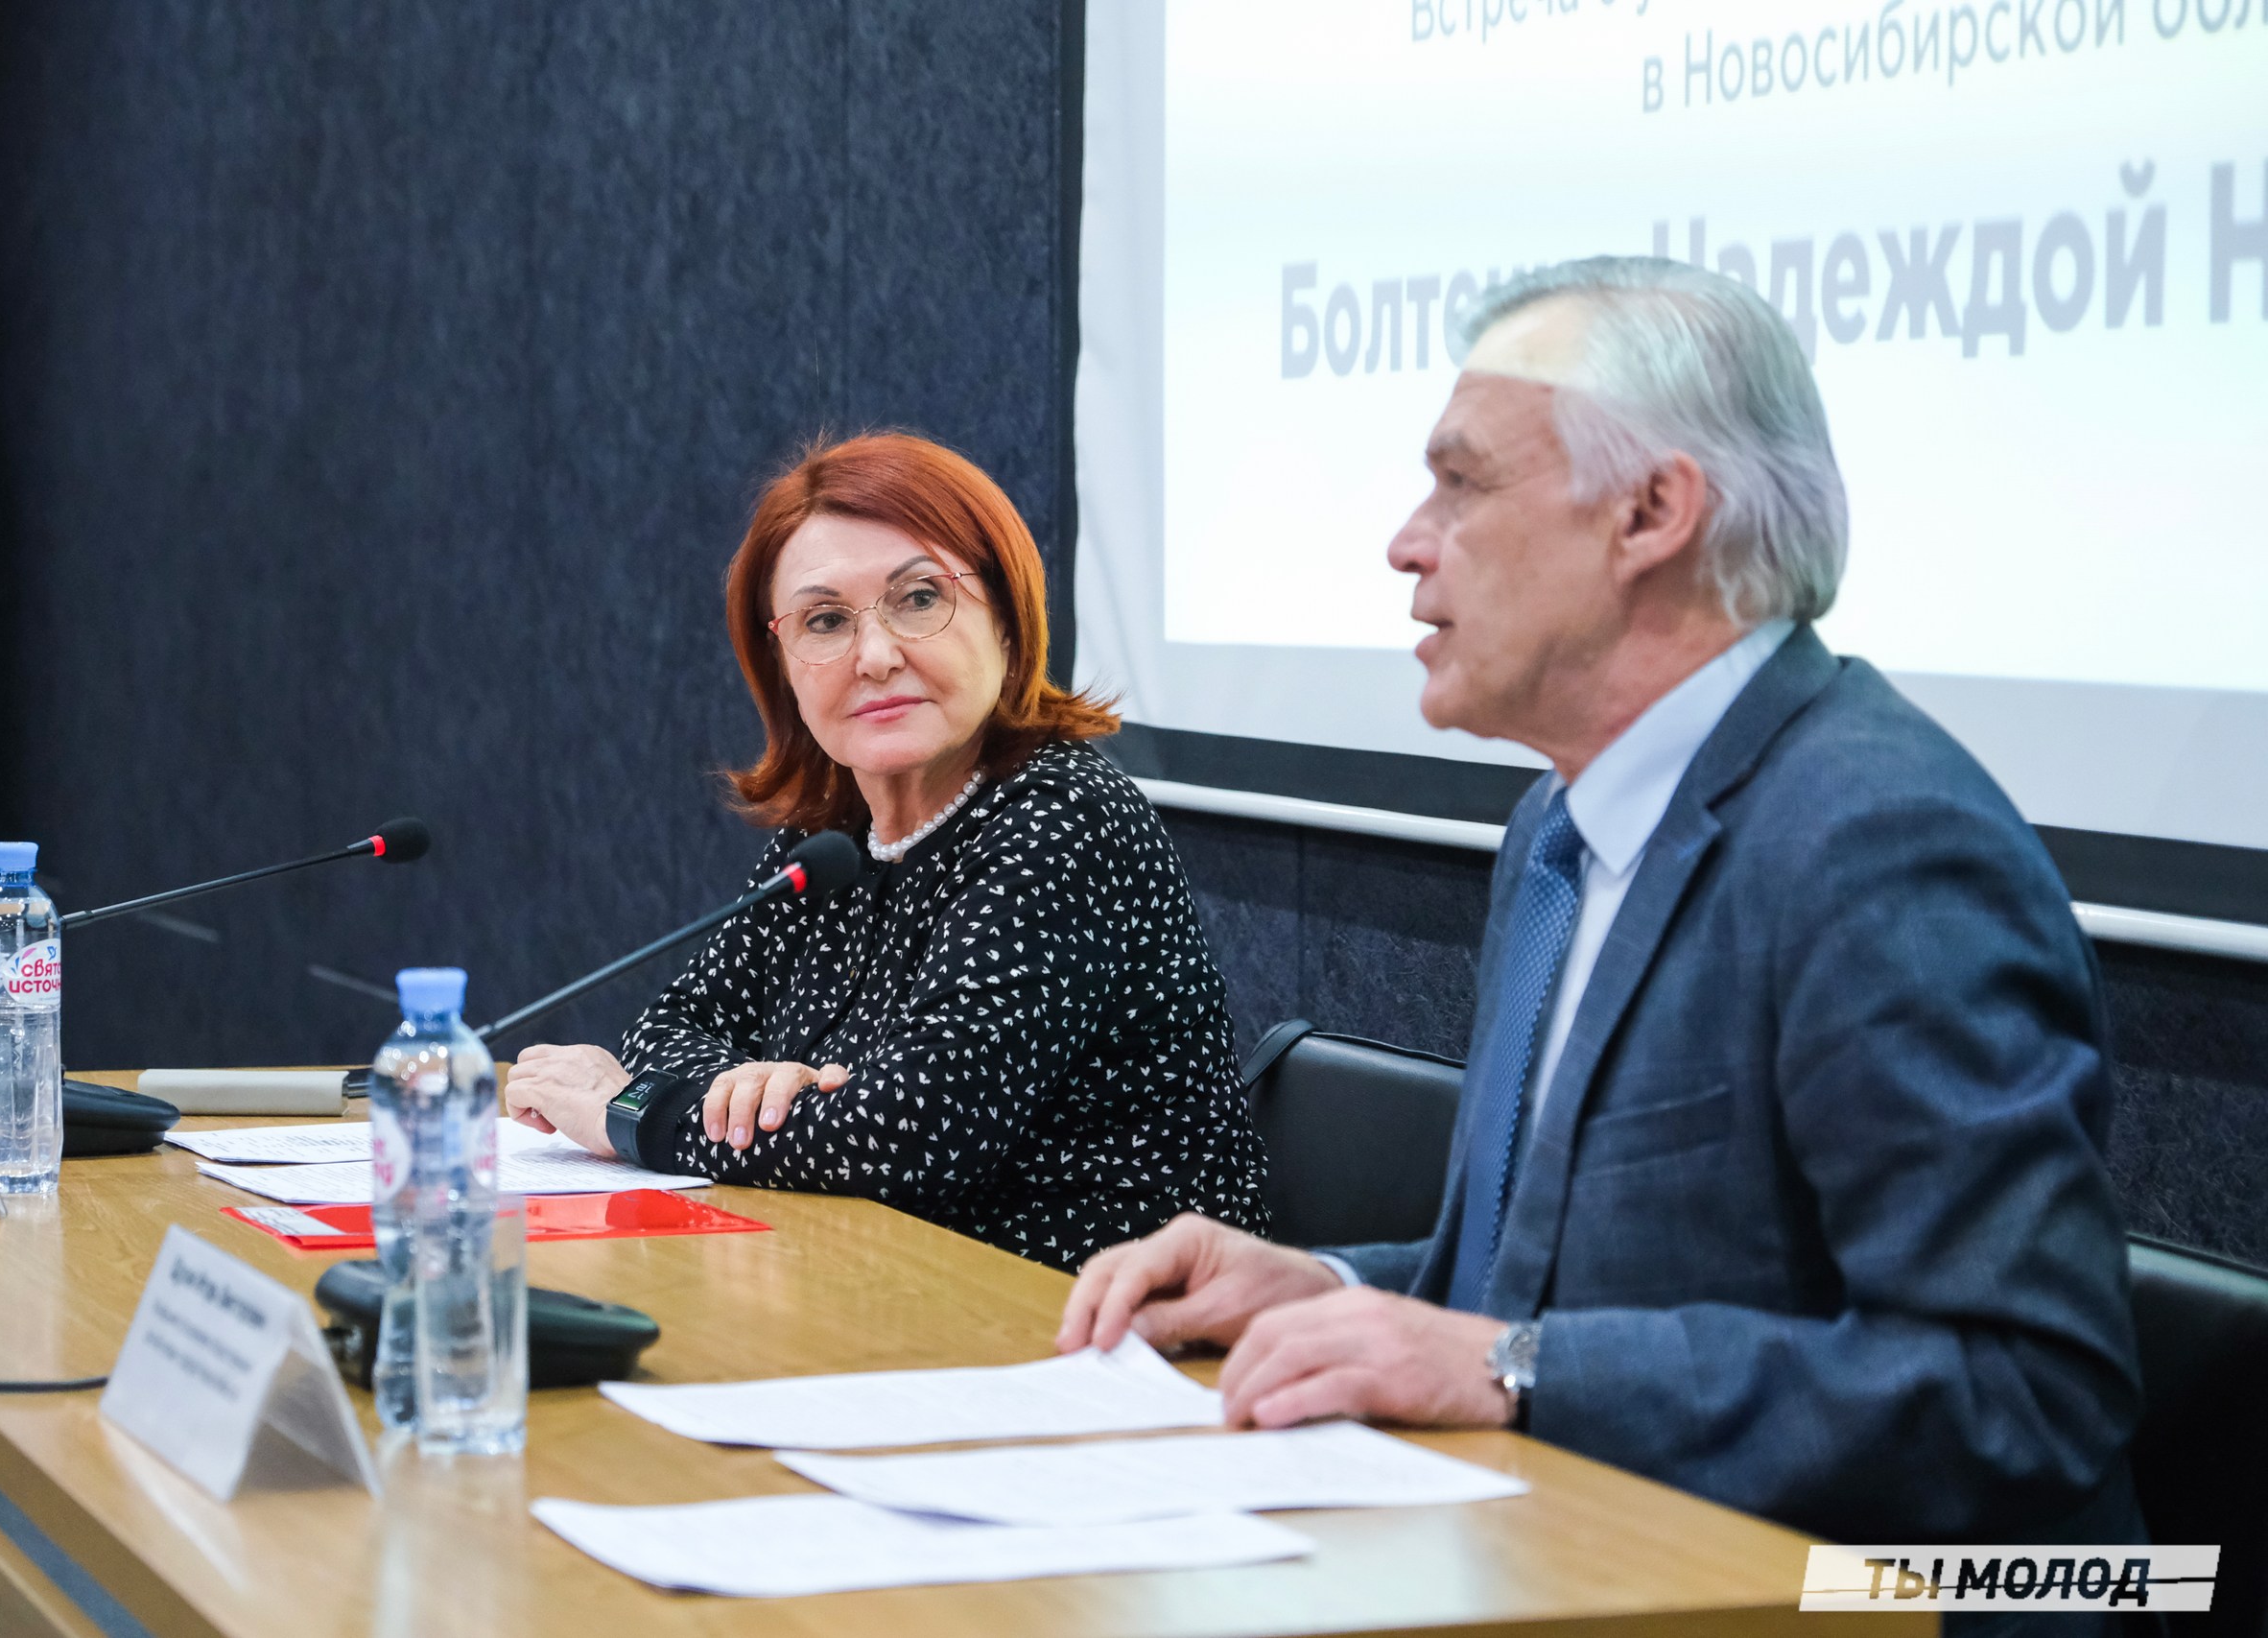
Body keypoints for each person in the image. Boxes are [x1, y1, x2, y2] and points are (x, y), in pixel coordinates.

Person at [1059, 257, 2143, 1556]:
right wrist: (1325, 1286)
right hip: (1579, 1556)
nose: (1406, 540)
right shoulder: (1561, 828)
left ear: (1650, 513)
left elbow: (2022, 1390)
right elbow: (1538, 1298)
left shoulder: (1878, 844)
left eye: (1462, 483)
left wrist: (1511, 1370)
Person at [505, 432, 1268, 1272]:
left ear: (1007, 621)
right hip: (886, 1284)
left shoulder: (1064, 819)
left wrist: (636, 1115)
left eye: (919, 599)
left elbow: (913, 1136)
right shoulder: (831, 836)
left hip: (1098, 1313)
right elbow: (672, 1027)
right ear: (782, 663)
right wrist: (752, 1090)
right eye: (826, 620)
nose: (874, 657)